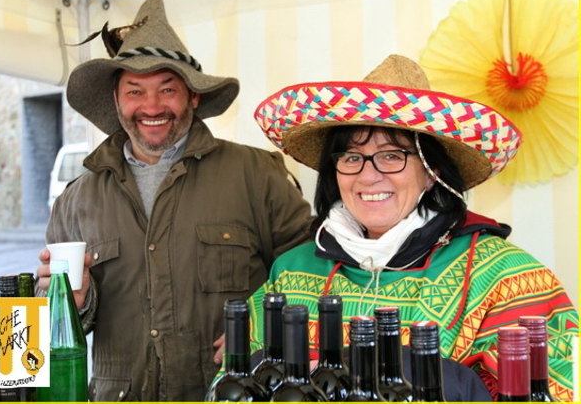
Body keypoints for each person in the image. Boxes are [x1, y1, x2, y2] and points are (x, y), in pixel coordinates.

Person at [247, 54, 578, 401]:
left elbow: (559, 389)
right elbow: (237, 383)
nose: (368, 175)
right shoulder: (291, 271)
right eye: (351, 157)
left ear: (432, 172)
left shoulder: (504, 277)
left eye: (392, 155)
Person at [36, 0, 313, 401]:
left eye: (167, 89)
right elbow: (60, 328)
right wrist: (74, 301)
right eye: (135, 91)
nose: (151, 106)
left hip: (230, 392)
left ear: (194, 96)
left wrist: (263, 324)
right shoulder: (76, 200)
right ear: (117, 101)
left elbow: (313, 269)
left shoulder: (257, 174)